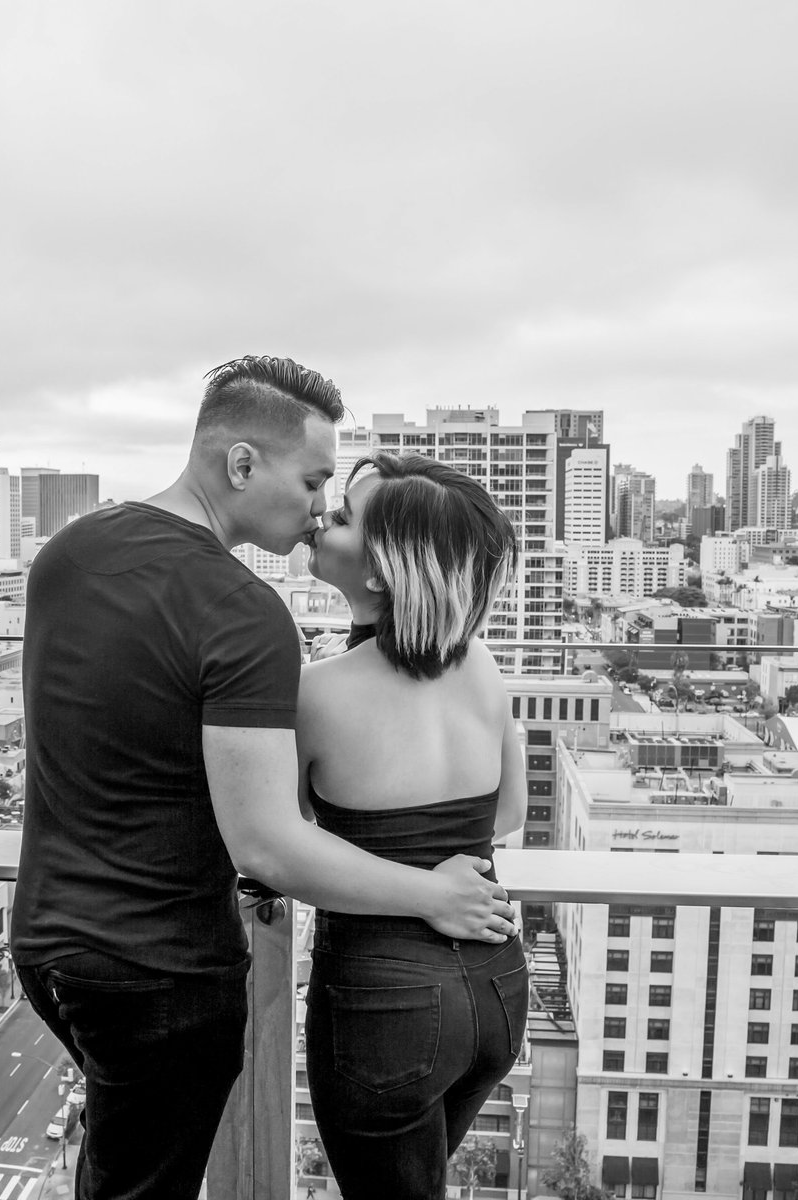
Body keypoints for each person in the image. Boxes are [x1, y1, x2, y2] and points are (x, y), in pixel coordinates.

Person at [12, 358, 517, 1200]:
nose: (319, 509)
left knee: (116, 1168)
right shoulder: (246, 615)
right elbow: (269, 844)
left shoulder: (68, 553)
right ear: (242, 465)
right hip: (168, 969)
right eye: (316, 482)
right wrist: (434, 890)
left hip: (49, 944)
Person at [298, 451, 529, 1198]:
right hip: (496, 988)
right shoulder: (482, 665)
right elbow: (511, 811)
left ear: (378, 572)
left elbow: (284, 840)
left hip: (383, 1009)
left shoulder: (314, 693)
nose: (322, 519)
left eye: (343, 517)